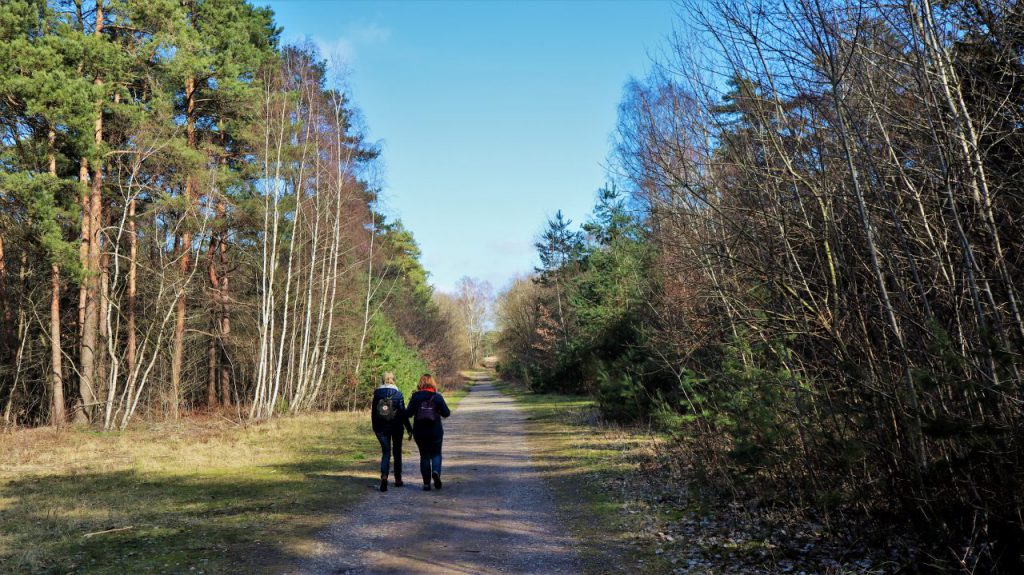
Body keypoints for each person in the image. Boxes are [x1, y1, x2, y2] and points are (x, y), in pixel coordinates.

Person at [405, 373, 451, 491]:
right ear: (432, 383)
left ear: (420, 383)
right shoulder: (437, 397)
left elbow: (408, 414)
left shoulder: (415, 397)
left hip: (420, 432)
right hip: (435, 431)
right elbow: (447, 413)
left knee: (424, 456)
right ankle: (436, 472)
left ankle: (426, 484)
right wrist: (437, 411)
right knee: (436, 454)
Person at [372, 372, 413, 492]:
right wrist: (409, 429)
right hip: (396, 427)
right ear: (393, 380)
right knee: (397, 452)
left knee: (386, 452)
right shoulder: (398, 394)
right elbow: (402, 413)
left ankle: (384, 477)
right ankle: (398, 479)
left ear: (382, 380)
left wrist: (375, 427)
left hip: (381, 428)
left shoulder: (377, 394)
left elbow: (373, 413)